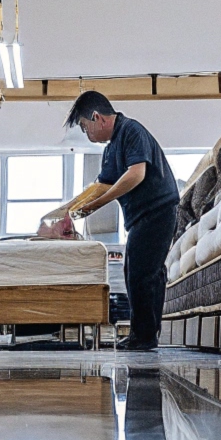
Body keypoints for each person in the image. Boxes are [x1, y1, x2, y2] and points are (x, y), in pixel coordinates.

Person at [65, 91, 180, 350]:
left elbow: (136, 174)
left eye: (85, 128)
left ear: (97, 118)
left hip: (158, 210)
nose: (87, 134)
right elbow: (99, 186)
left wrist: (95, 205)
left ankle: (145, 337)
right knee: (142, 272)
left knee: (142, 273)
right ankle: (146, 334)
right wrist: (69, 209)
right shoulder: (111, 148)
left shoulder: (131, 131)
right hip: (141, 216)